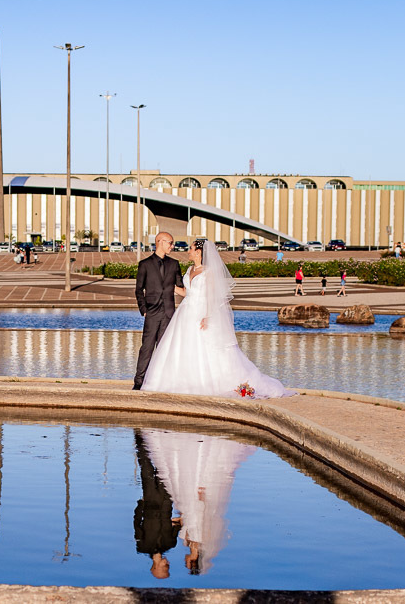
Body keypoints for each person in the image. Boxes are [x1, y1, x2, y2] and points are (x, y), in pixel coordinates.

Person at [140, 239, 295, 399]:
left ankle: (211, 383)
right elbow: (186, 292)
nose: (188, 251)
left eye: (191, 248)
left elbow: (212, 296)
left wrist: (207, 316)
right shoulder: (190, 269)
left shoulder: (209, 272)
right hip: (185, 312)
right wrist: (167, 285)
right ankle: (182, 381)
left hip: (201, 312)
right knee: (182, 347)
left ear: (198, 252)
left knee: (206, 348)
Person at [141, 428, 257, 575]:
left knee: (181, 472)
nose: (185, 562)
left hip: (187, 505)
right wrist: (201, 498)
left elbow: (184, 521)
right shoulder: (196, 538)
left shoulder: (189, 542)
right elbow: (199, 517)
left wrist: (169, 520)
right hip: (193, 502)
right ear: (193, 562)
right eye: (187, 564)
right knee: (189, 473)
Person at [133, 232, 185, 391]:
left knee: (165, 350)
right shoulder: (145, 264)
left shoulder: (174, 264)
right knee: (147, 348)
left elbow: (180, 286)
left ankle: (162, 382)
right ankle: (139, 381)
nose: (172, 246)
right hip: (152, 312)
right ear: (160, 242)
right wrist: (144, 309)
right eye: (170, 242)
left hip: (168, 313)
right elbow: (138, 290)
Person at [133, 429, 182, 579]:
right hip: (166, 501)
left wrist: (141, 504)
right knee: (163, 468)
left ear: (155, 566)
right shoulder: (171, 543)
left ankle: (139, 435)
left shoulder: (143, 546)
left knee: (146, 465)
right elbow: (178, 525)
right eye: (168, 566)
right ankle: (163, 437)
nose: (168, 563)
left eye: (165, 567)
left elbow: (137, 523)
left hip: (150, 501)